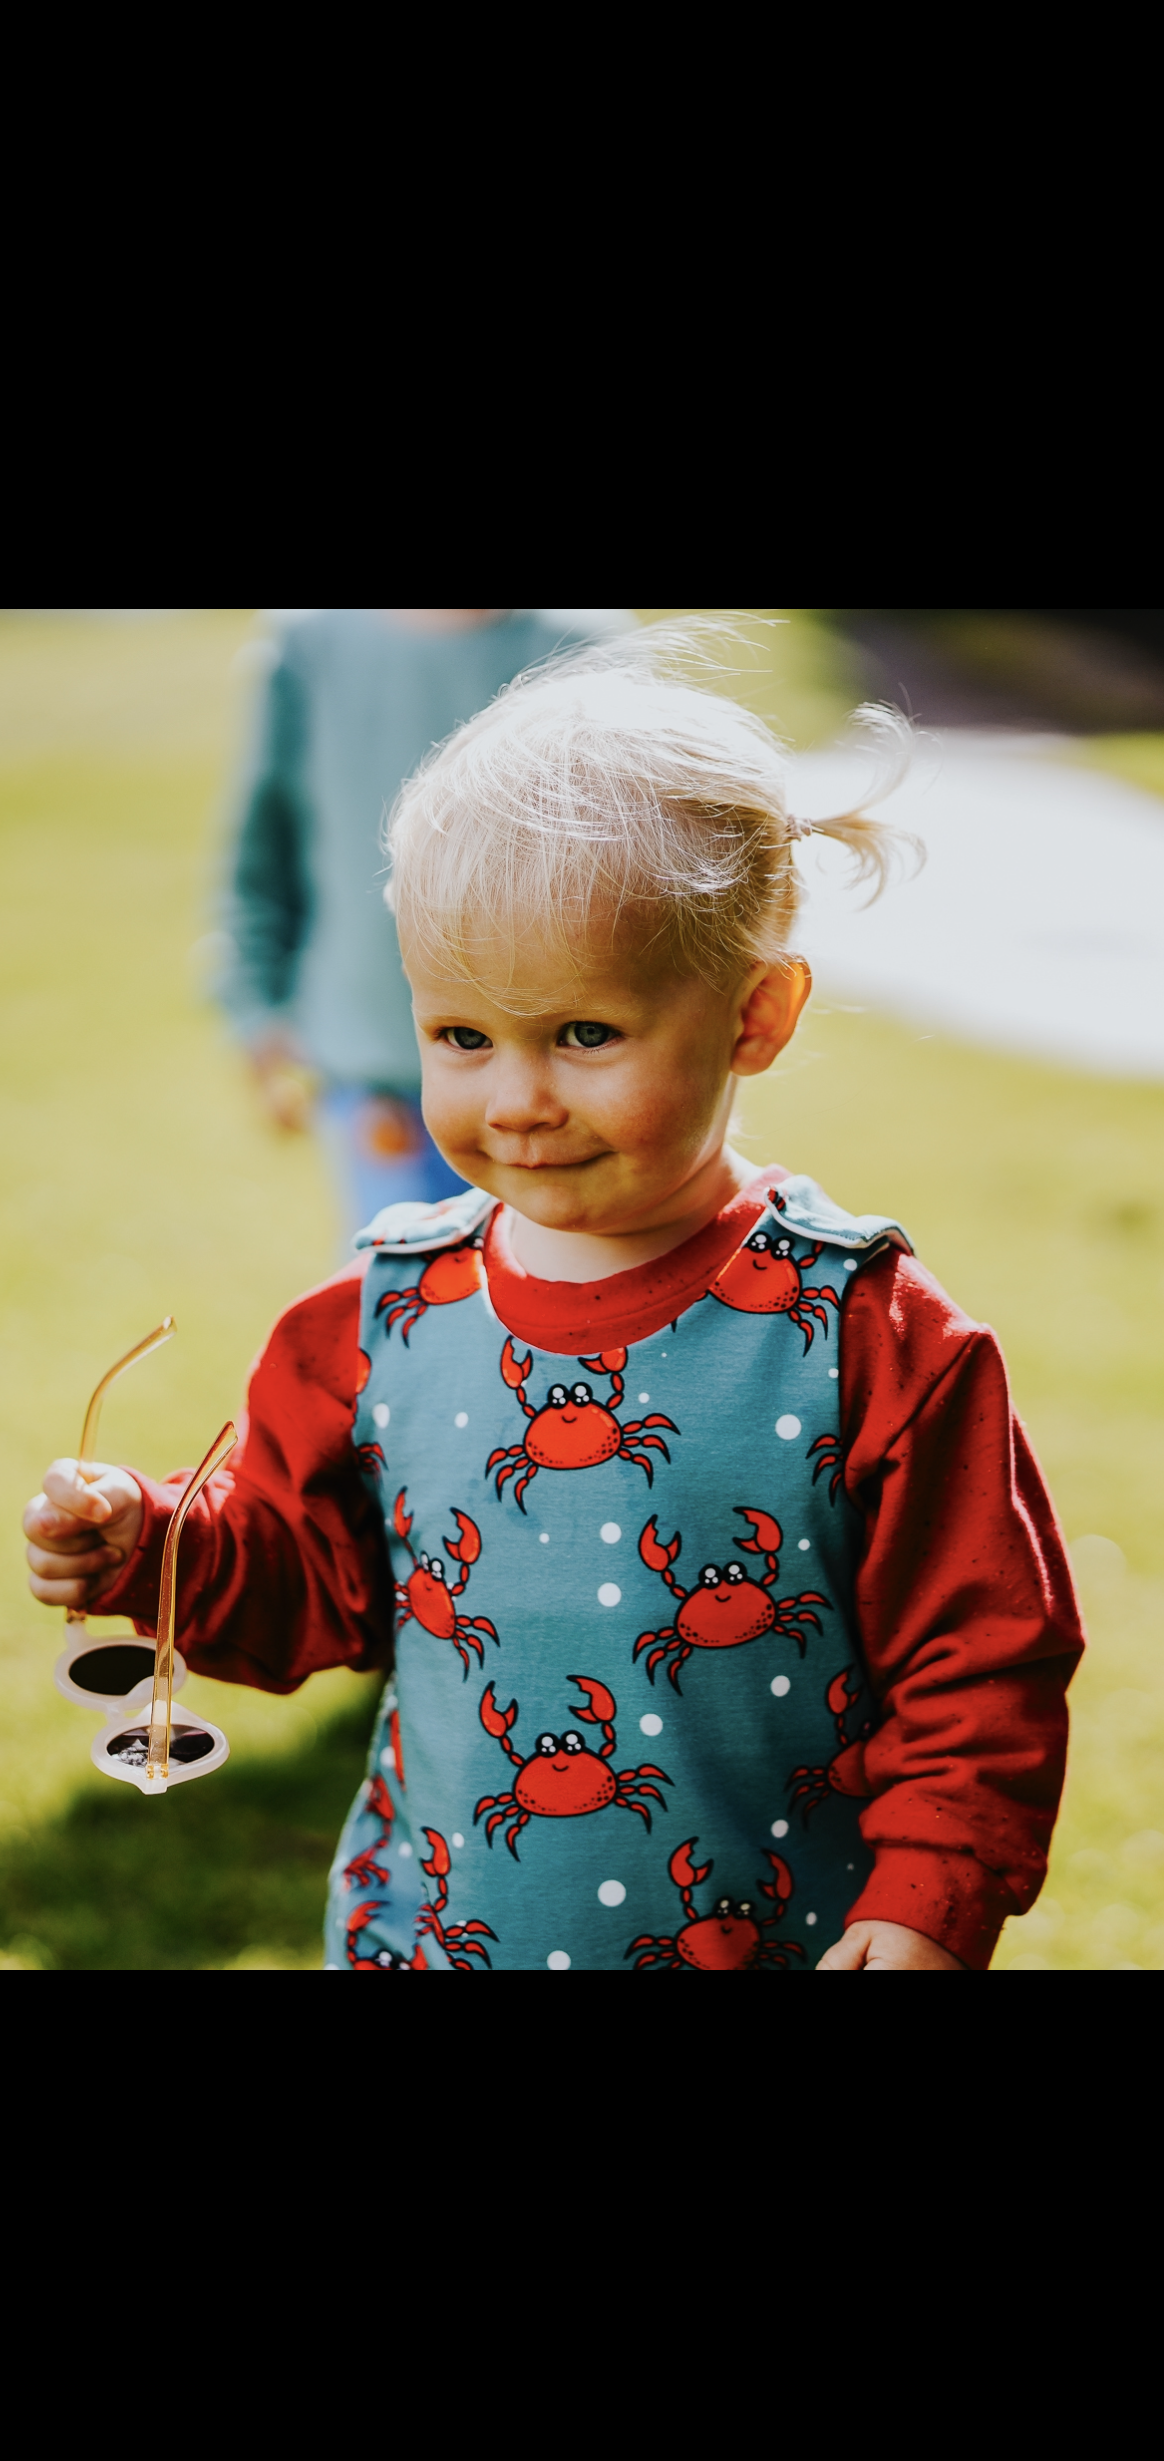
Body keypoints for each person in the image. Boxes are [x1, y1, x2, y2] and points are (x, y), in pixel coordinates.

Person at [25, 631, 1084, 1970]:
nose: (516, 1100)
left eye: (584, 1034)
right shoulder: (377, 1319)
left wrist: (926, 1895)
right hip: (433, 1939)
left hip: (784, 1939)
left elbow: (980, 1656)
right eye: (461, 1037)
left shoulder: (860, 1333)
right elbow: (316, 1585)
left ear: (755, 1015)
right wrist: (153, 1547)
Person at [219, 609, 614, 1231]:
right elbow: (264, 845)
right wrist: (256, 1008)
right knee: (405, 1286)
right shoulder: (312, 643)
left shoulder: (580, 643)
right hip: (374, 1066)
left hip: (552, 1076)